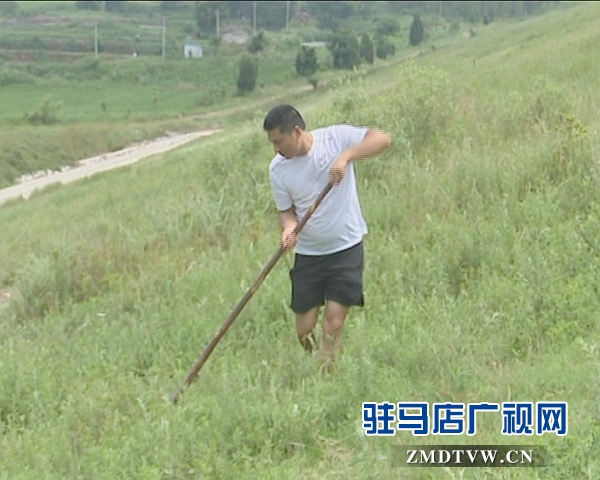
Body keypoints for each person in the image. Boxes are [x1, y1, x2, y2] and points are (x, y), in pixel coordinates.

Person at [263, 104, 392, 371]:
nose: (276, 148)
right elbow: (286, 212)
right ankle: (315, 365)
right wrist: (288, 229)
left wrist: (346, 157)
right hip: (309, 255)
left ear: (297, 131)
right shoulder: (278, 169)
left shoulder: (335, 138)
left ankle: (327, 373)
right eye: (272, 143)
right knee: (304, 330)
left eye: (279, 141)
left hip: (345, 247)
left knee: (334, 322)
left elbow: (382, 139)